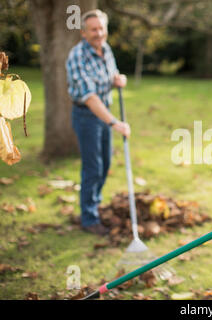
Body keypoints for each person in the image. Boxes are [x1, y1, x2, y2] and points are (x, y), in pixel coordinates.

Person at [66, 9, 130, 236]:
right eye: (93, 29)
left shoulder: (106, 49)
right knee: (93, 168)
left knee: (105, 166)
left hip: (105, 114)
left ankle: (94, 204)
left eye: (102, 28)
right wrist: (114, 123)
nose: (98, 33)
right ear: (83, 33)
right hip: (87, 116)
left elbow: (110, 76)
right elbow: (90, 98)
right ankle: (89, 218)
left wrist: (117, 79)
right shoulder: (77, 57)